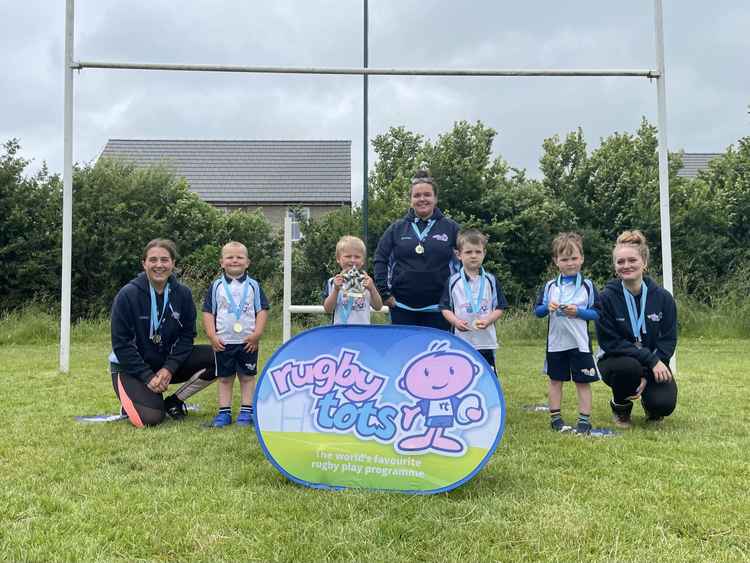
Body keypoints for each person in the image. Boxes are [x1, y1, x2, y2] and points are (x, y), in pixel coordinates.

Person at [110, 239, 216, 428]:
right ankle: (134, 400)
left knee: (221, 358)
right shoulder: (127, 295)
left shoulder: (183, 294)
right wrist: (147, 377)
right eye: (153, 260)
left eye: (165, 260)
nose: (159, 265)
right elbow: (121, 344)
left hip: (164, 366)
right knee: (150, 419)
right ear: (144, 263)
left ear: (173, 263)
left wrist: (169, 368)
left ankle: (174, 401)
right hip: (131, 368)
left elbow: (186, 337)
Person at [595, 230, 678, 429]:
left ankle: (651, 405)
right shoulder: (605, 298)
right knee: (627, 368)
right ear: (615, 267)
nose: (626, 266)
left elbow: (668, 340)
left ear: (644, 263)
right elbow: (610, 343)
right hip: (616, 361)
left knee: (663, 404)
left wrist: (649, 373)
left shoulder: (663, 298)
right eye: (620, 262)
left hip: (652, 363)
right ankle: (621, 407)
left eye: (632, 260)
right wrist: (650, 361)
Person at [373, 170, 460, 331]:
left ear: (435, 198)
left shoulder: (451, 228)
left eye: (427, 194)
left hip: (440, 309)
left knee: (437, 356)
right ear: (411, 200)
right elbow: (380, 259)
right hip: (402, 308)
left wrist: (459, 296)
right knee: (404, 355)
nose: (422, 199)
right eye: (417, 195)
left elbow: (467, 261)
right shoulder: (396, 228)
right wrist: (384, 293)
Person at [534, 232, 600, 434]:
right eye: (564, 259)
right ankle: (555, 419)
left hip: (579, 343)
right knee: (555, 380)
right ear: (556, 261)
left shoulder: (588, 286)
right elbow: (538, 312)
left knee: (582, 381)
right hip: (556, 343)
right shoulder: (550, 286)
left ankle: (584, 420)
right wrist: (547, 307)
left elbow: (597, 313)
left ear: (582, 258)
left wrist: (578, 312)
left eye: (574, 258)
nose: (570, 263)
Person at [203, 241, 269, 428]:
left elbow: (262, 310)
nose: (234, 260)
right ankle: (224, 413)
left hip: (248, 341)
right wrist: (212, 336)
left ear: (247, 262)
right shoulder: (216, 286)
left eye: (239, 257)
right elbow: (208, 312)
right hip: (224, 341)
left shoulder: (254, 286)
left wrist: (257, 333)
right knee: (224, 378)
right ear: (221, 262)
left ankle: (247, 412)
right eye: (229, 257)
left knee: (247, 377)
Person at [440, 229, 507, 374]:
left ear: (484, 253)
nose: (473, 256)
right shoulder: (453, 281)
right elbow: (445, 308)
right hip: (461, 340)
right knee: (460, 375)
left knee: (487, 375)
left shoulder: (491, 280)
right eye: (468, 252)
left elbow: (500, 307)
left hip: (486, 341)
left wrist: (489, 319)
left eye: (478, 252)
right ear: (458, 255)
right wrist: (455, 322)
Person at [323, 235, 383, 325]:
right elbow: (328, 309)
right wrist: (336, 290)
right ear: (338, 259)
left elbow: (378, 307)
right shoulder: (332, 282)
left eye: (357, 257)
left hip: (362, 332)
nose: (352, 260)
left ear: (363, 260)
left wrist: (372, 289)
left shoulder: (367, 281)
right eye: (347, 256)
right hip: (340, 332)